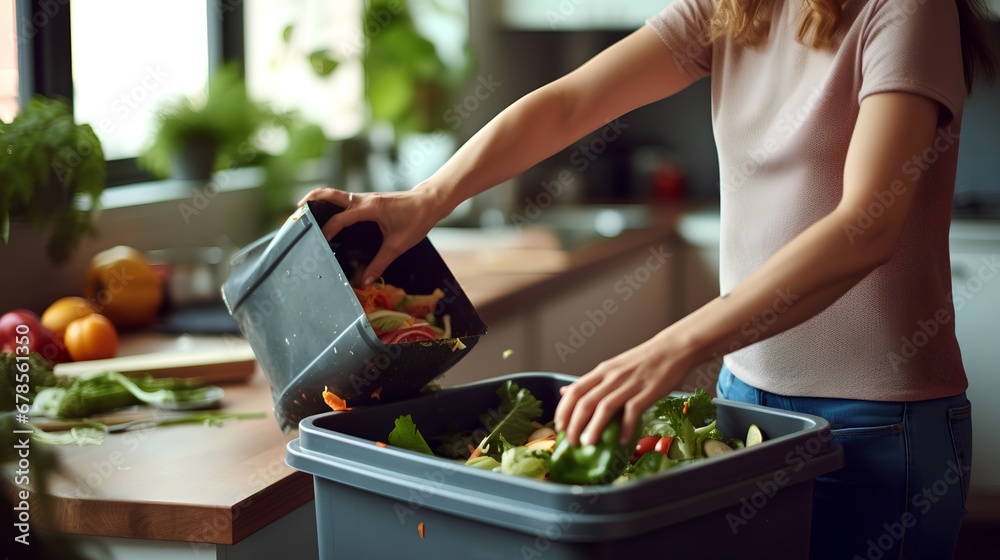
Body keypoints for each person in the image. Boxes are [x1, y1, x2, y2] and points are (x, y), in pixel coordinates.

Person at [303, 0, 997, 556]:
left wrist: (675, 345)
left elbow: (865, 225)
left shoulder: (908, 9)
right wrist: (429, 198)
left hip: (878, 425)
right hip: (749, 407)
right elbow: (572, 103)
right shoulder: (733, 7)